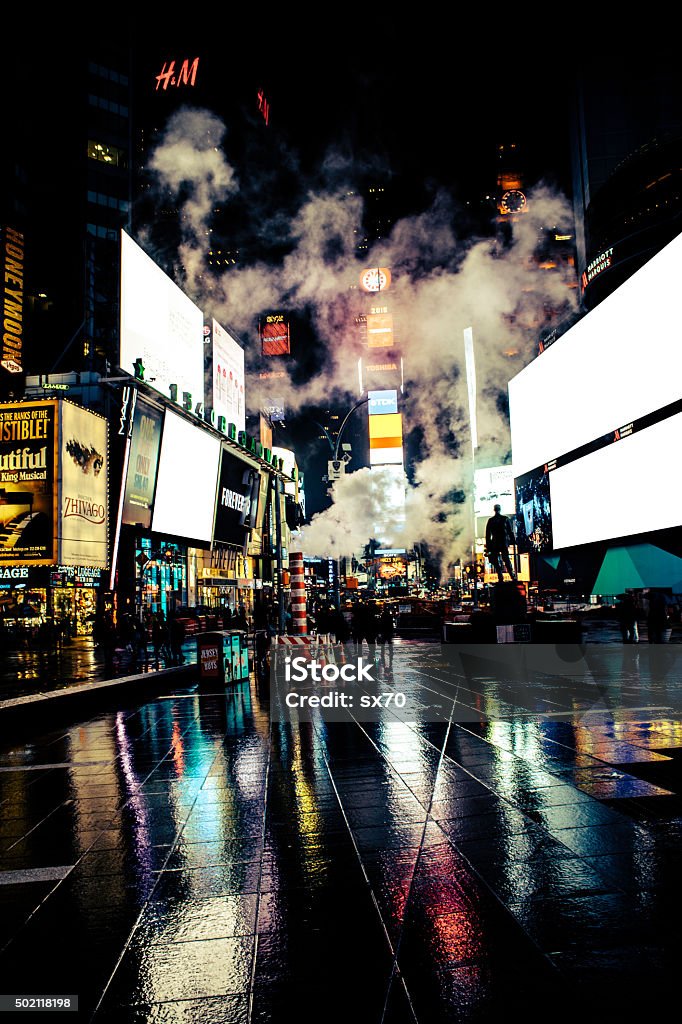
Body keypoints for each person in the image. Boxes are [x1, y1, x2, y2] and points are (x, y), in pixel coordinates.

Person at [485, 504, 518, 583]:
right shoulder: (504, 519)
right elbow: (510, 532)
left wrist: (488, 546)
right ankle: (509, 576)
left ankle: (506, 576)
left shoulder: (494, 520)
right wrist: (512, 540)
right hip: (500, 542)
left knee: (502, 560)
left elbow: (488, 535)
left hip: (498, 542)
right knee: (503, 560)